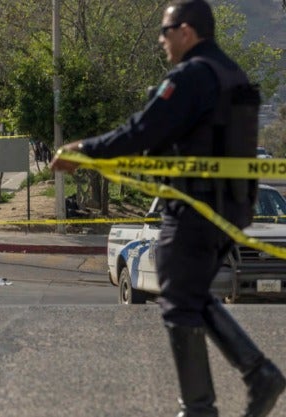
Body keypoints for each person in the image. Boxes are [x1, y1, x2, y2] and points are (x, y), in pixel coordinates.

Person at [50, 1, 285, 416]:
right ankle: (257, 376)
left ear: (187, 31)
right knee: (191, 293)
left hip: (194, 206)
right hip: (230, 207)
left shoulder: (193, 75)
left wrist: (84, 150)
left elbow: (143, 129)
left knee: (178, 297)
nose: (161, 39)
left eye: (166, 30)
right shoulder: (230, 71)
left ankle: (200, 406)